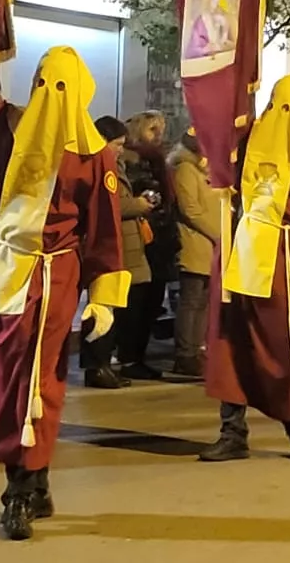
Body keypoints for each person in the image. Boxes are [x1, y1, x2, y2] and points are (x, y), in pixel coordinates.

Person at [0, 47, 129, 540]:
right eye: (43, 84)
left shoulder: (92, 153)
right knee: (3, 375)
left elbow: (104, 231)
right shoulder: (7, 131)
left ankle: (18, 489)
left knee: (37, 379)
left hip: (55, 274)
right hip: (4, 269)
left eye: (60, 87)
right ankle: (34, 477)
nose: (50, 97)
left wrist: (102, 295)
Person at [199, 75, 290, 463]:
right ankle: (232, 431)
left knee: (282, 346)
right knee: (229, 343)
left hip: (280, 258)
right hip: (238, 251)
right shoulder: (245, 143)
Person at [78, 115, 149, 389]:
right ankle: (95, 365)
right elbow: (109, 205)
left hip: (116, 243)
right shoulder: (96, 166)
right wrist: (138, 205)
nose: (121, 149)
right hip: (102, 244)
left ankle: (103, 363)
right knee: (99, 306)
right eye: (116, 144)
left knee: (112, 306)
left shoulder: (114, 164)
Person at [118, 110, 177, 380]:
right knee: (136, 302)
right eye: (153, 129)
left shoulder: (157, 159)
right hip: (143, 236)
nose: (159, 135)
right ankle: (130, 355)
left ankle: (135, 354)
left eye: (161, 129)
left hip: (158, 237)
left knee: (151, 301)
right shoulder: (134, 160)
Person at [171, 127, 220, 376]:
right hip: (195, 241)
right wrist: (216, 232)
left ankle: (197, 347)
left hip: (209, 243)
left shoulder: (203, 169)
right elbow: (190, 208)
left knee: (203, 300)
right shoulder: (185, 169)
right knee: (191, 300)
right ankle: (185, 354)